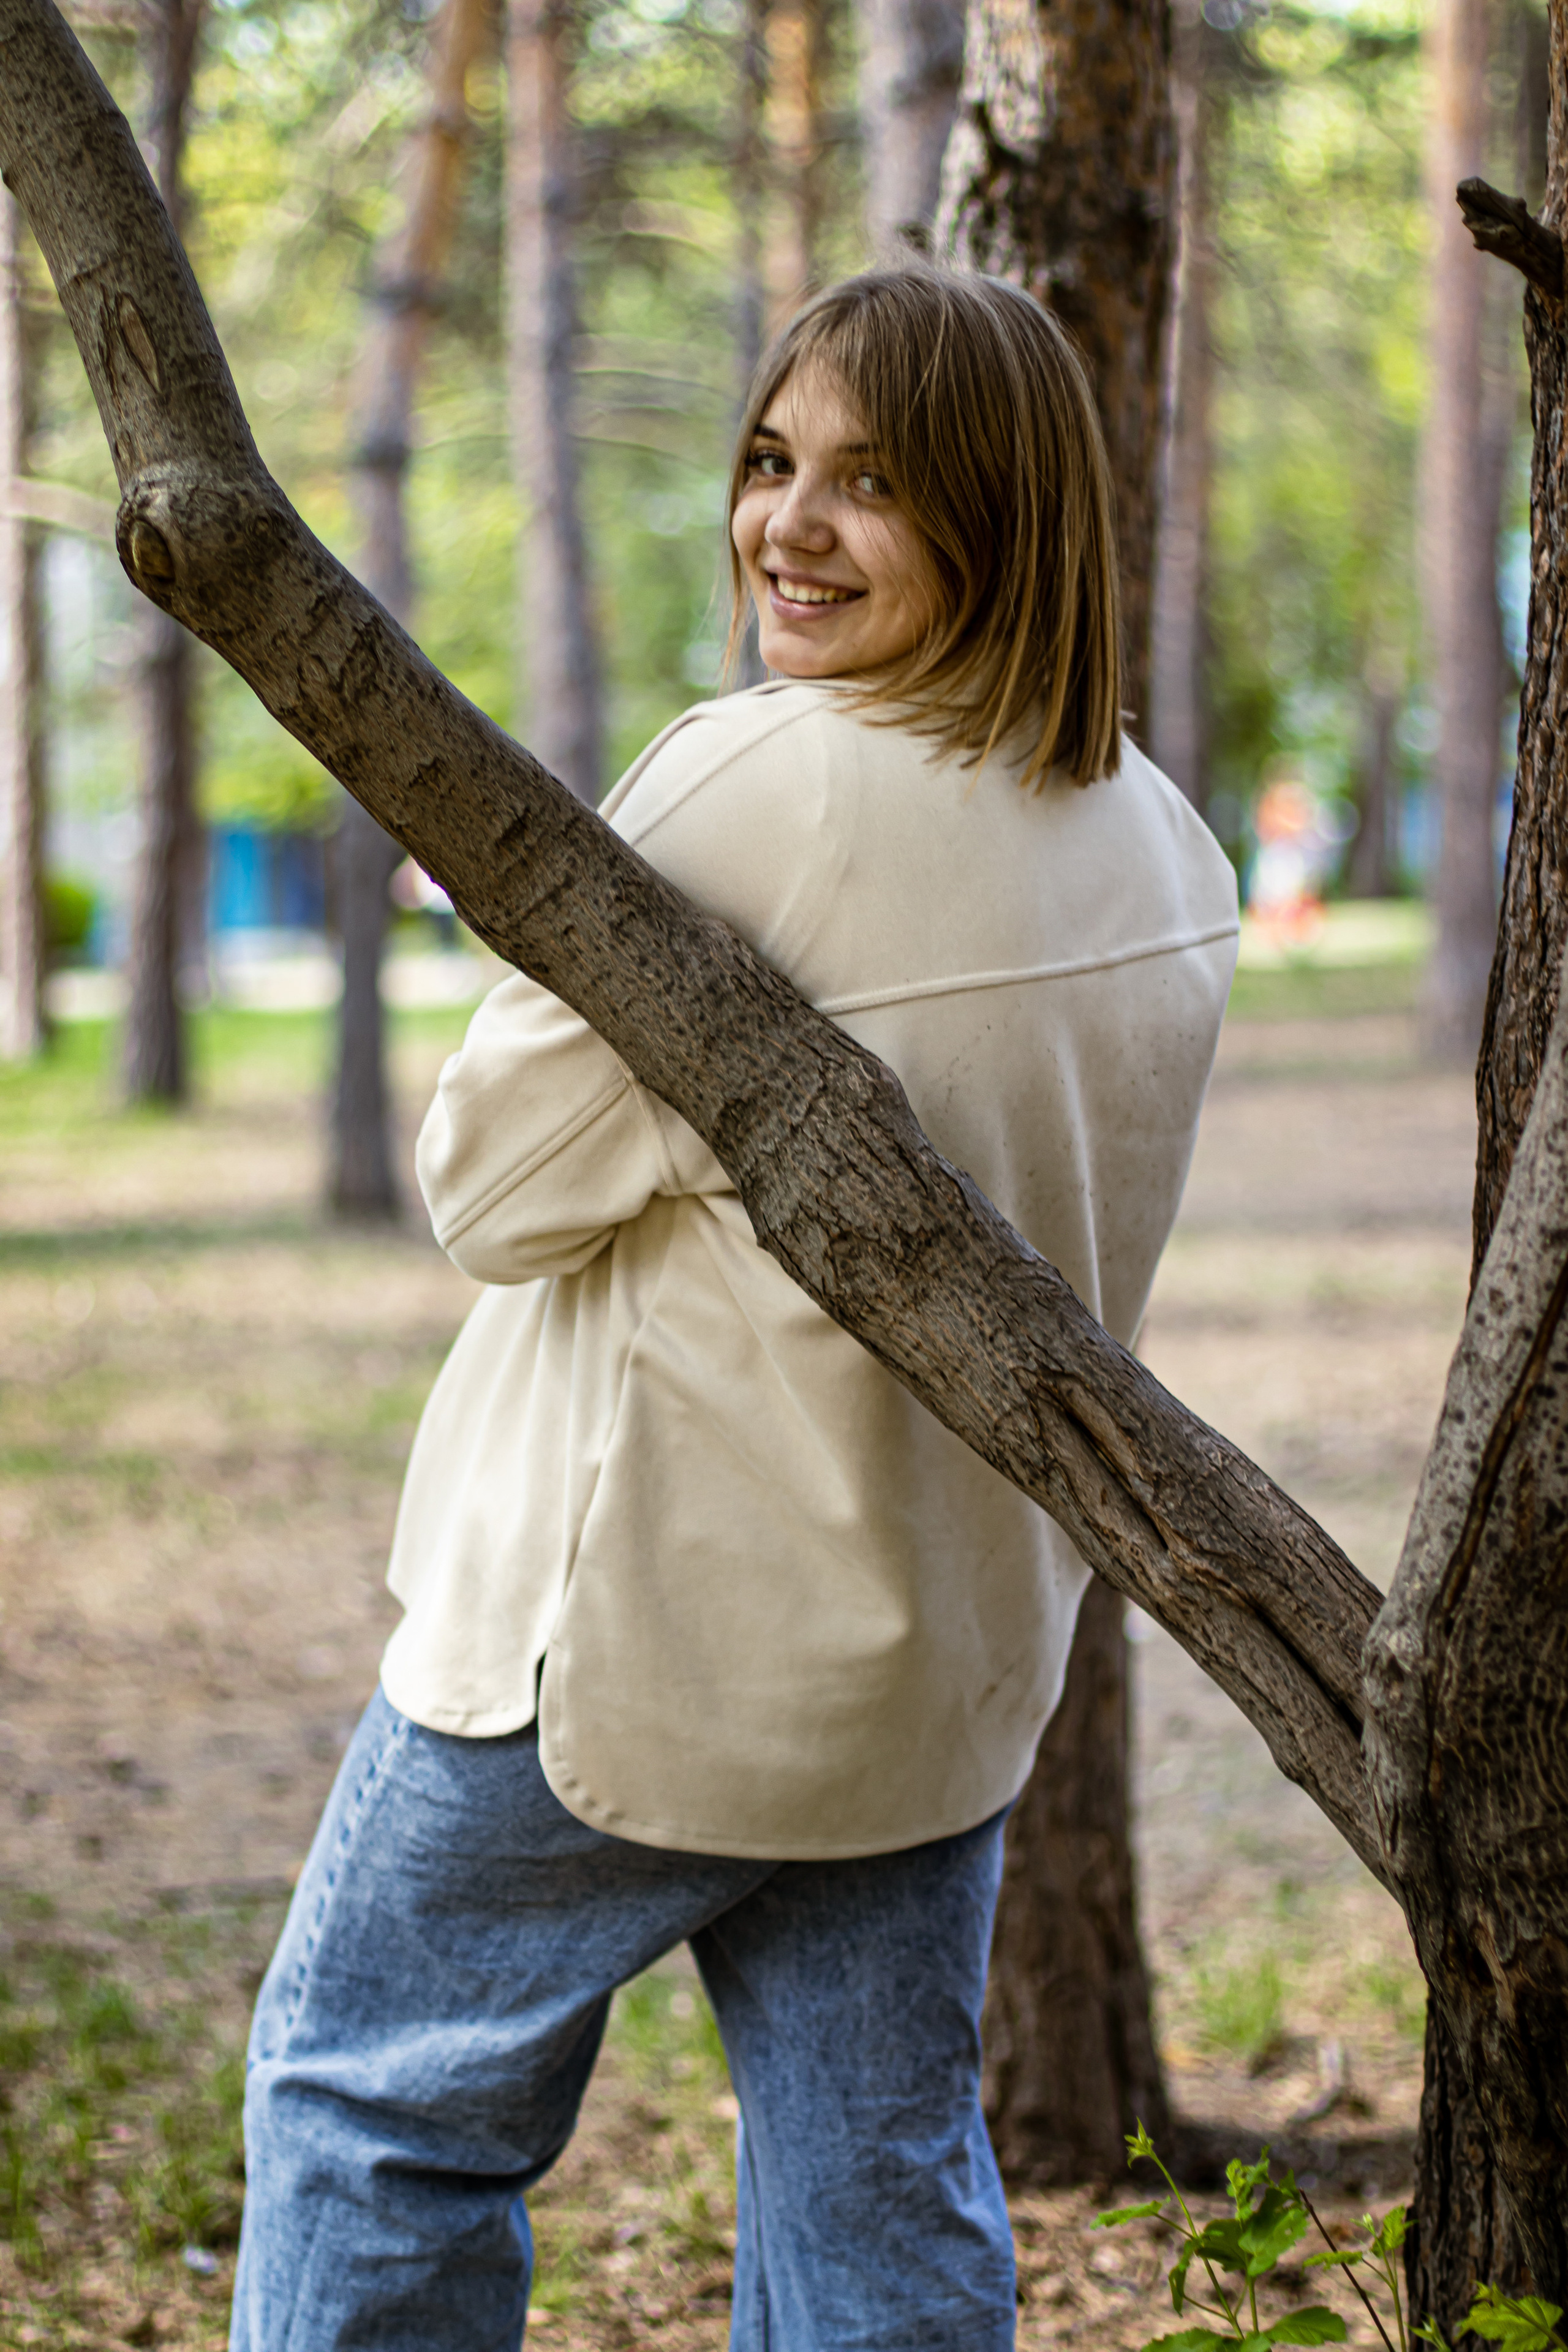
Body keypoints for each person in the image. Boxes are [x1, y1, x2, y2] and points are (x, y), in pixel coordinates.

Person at [231, 265, 1239, 2352]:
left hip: (623, 1640)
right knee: (877, 2202)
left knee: (375, 2114)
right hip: (933, 1663)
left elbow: (490, 1191)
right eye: (772, 462)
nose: (789, 523)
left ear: (1004, 515)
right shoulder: (1168, 852)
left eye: (871, 483)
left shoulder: (758, 783)